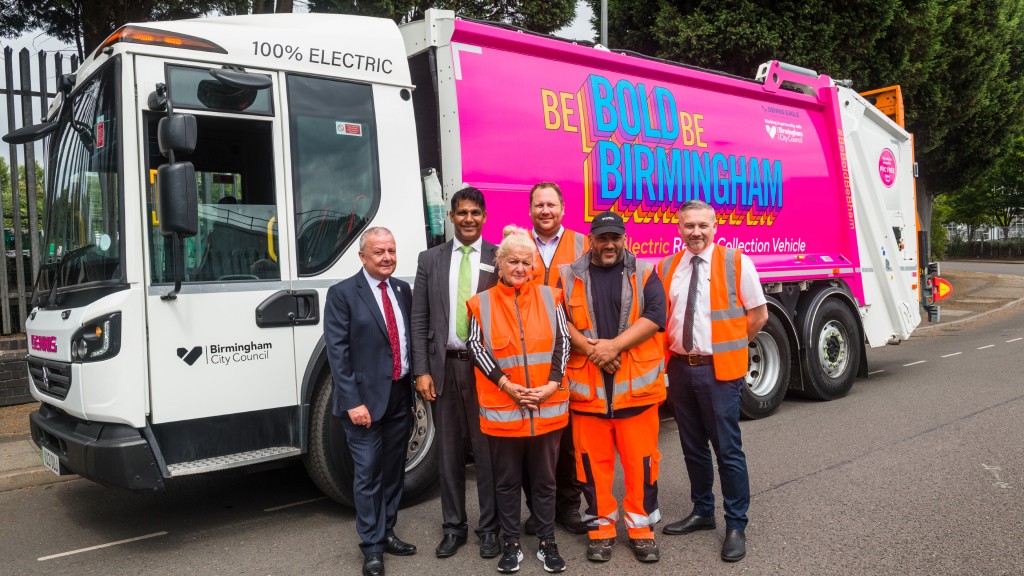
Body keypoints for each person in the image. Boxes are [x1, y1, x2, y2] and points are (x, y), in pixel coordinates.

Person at [658, 200, 768, 563]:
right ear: (679, 227)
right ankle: (702, 512)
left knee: (727, 450)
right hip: (680, 367)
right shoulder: (668, 266)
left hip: (720, 371)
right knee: (692, 447)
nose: (696, 232)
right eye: (689, 225)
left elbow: (758, 316)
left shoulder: (737, 262)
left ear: (715, 226)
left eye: (703, 225)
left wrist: (729, 348)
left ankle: (736, 524)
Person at [560, 210, 667, 563]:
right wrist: (595, 351)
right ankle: (602, 532)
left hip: (635, 393)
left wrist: (614, 347)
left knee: (641, 466)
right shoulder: (569, 275)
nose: (609, 244)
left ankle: (641, 531)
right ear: (591, 239)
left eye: (614, 238)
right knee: (592, 468)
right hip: (589, 393)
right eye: (602, 238)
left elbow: (655, 316)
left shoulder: (645, 272)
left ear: (624, 238)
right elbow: (560, 323)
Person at [466, 226, 572, 574]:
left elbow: (563, 344)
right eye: (513, 261)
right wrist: (506, 385)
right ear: (500, 263)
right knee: (507, 482)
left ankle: (547, 542)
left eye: (527, 262)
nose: (520, 268)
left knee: (545, 482)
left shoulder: (550, 297)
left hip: (546, 406)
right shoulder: (481, 303)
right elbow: (476, 347)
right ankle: (510, 543)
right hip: (503, 410)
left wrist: (552, 384)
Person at [411, 187, 501, 559]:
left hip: (486, 370)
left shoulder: (500, 257)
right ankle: (453, 527)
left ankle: (490, 528)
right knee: (447, 455)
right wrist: (421, 370)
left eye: (475, 213)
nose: (468, 219)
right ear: (450, 217)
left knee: (488, 454)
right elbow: (418, 318)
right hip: (443, 367)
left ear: (484, 216)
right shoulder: (429, 259)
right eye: (461, 212)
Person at [324, 227, 418, 576]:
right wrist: (351, 401)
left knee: (394, 471)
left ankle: (387, 530)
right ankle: (372, 547)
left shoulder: (402, 290)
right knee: (367, 474)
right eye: (379, 252)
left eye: (391, 251)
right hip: (363, 402)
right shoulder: (342, 293)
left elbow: (407, 340)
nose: (387, 258)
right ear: (362, 256)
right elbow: (338, 353)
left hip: (398, 396)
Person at [525, 181, 588, 535]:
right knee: (534, 439)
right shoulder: (518, 246)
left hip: (572, 354)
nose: (545, 211)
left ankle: (569, 507)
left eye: (550, 204)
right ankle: (539, 510)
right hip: (530, 356)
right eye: (538, 205)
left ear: (563, 208)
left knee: (568, 441)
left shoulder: (582, 244)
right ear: (531, 210)